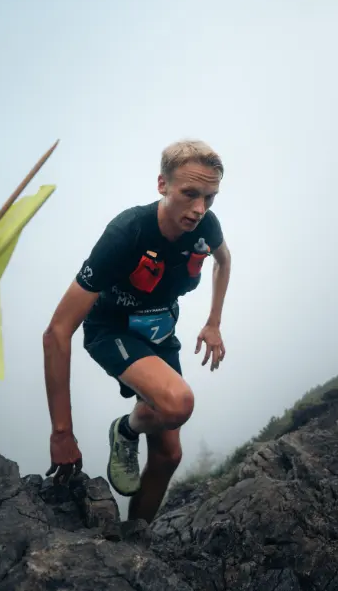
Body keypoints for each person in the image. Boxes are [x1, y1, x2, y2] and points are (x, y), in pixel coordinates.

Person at [41, 139, 231, 522]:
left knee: (168, 455)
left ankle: (136, 540)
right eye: (190, 194)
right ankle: (126, 429)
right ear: (162, 185)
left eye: (209, 197)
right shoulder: (126, 233)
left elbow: (223, 260)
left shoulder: (206, 225)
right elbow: (57, 331)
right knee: (178, 404)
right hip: (111, 330)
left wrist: (214, 323)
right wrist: (62, 433)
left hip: (159, 333)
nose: (199, 209)